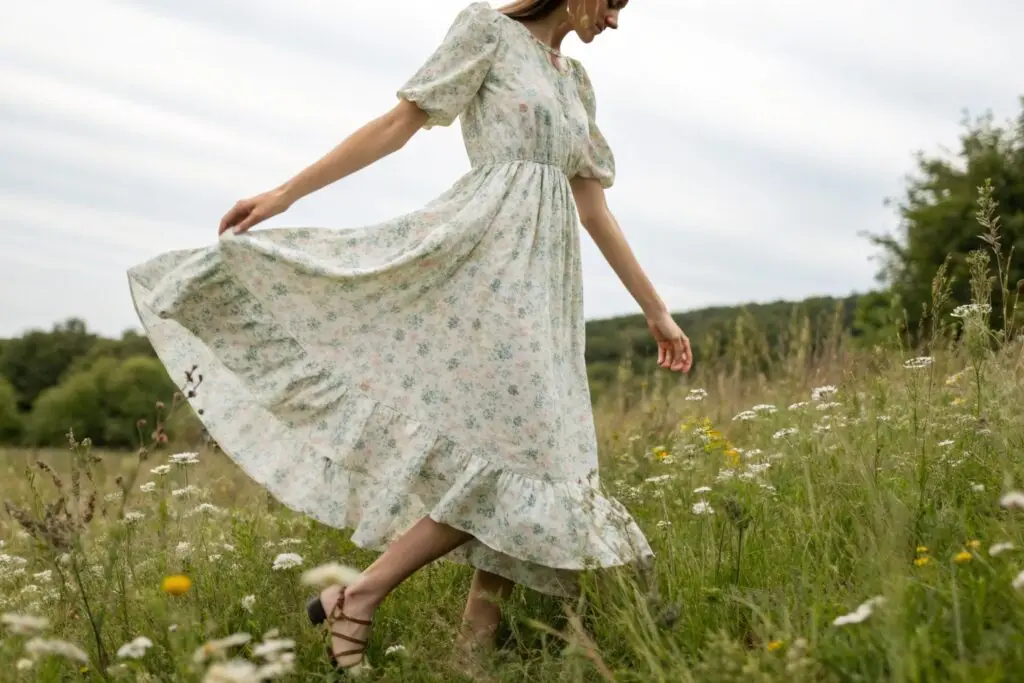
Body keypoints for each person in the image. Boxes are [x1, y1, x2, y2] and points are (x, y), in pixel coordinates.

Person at [127, 0, 692, 674]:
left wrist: (654, 308)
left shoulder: (576, 84)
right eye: (615, 2)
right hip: (483, 268)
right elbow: (400, 124)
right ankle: (363, 596)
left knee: (527, 465)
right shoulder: (487, 31)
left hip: (547, 292)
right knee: (519, 464)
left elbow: (594, 207)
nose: (617, 21)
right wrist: (286, 193)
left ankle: (465, 654)